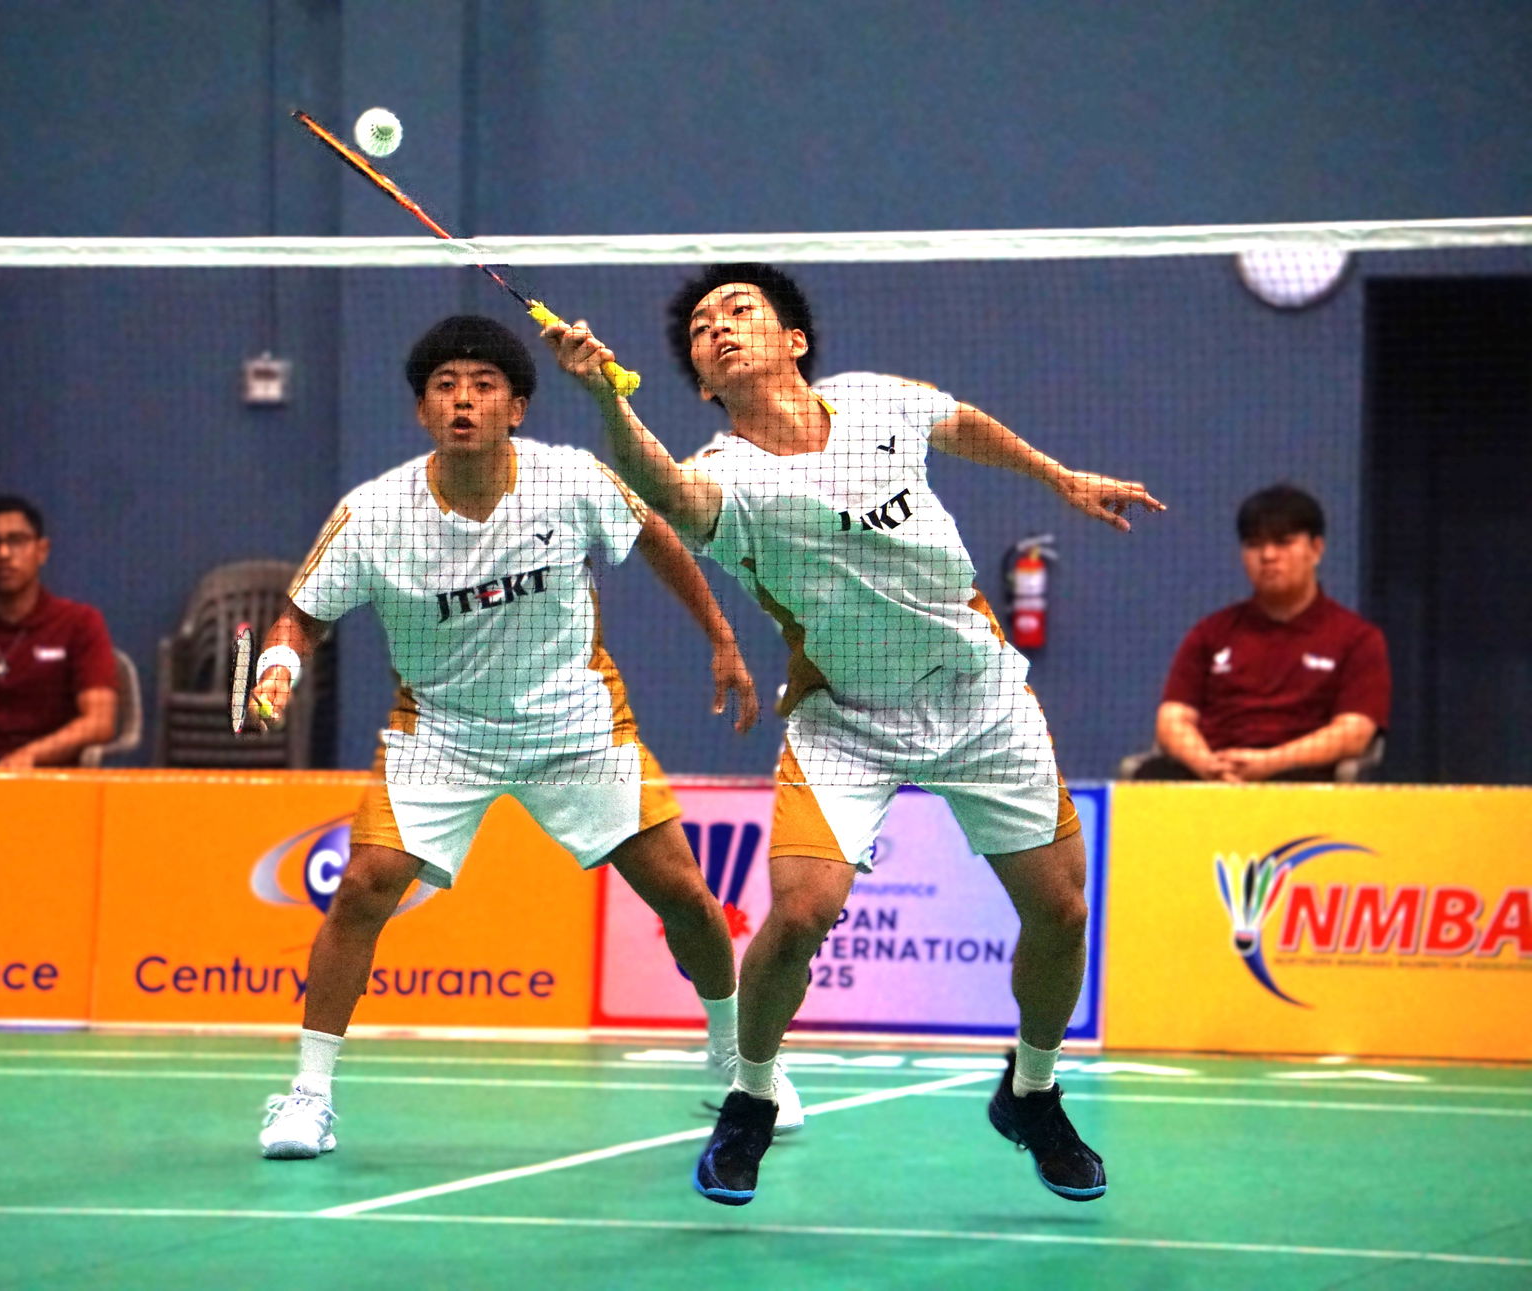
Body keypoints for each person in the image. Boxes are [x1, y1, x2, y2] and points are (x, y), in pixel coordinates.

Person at [543, 265, 1163, 1206]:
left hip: (979, 694)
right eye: (704, 327)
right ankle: (750, 1096)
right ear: (705, 385)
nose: (719, 325)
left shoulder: (877, 401)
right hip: (847, 719)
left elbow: (963, 426)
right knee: (799, 913)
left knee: (1064, 913)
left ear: (793, 340)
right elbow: (663, 494)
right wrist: (601, 397)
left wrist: (1058, 476)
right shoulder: (724, 477)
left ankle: (1032, 1092)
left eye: (740, 309)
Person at [253, 315, 799, 1160]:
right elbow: (302, 614)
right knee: (364, 884)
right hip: (440, 730)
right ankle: (306, 1096)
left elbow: (656, 530)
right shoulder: (373, 513)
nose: (463, 399)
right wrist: (279, 664)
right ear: (422, 413)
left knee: (686, 895)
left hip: (574, 723)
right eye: (444, 386)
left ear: (517, 407)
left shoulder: (571, 479)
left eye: (482, 385)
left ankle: (738, 1061)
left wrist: (723, 638)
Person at [1138, 484, 1390, 782]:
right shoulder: (1211, 633)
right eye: (1255, 544)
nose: (1268, 555)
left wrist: (1268, 763)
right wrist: (1207, 764)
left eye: (1283, 542)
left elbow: (1354, 733)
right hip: (1214, 773)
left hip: (1299, 777)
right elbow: (1172, 720)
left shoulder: (1358, 639)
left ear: (1316, 549)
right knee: (1153, 773)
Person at [0, 495, 117, 767]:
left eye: (17, 541)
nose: (4, 554)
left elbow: (100, 721)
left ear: (42, 551)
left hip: (49, 780)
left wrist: (30, 755)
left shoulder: (80, 622)